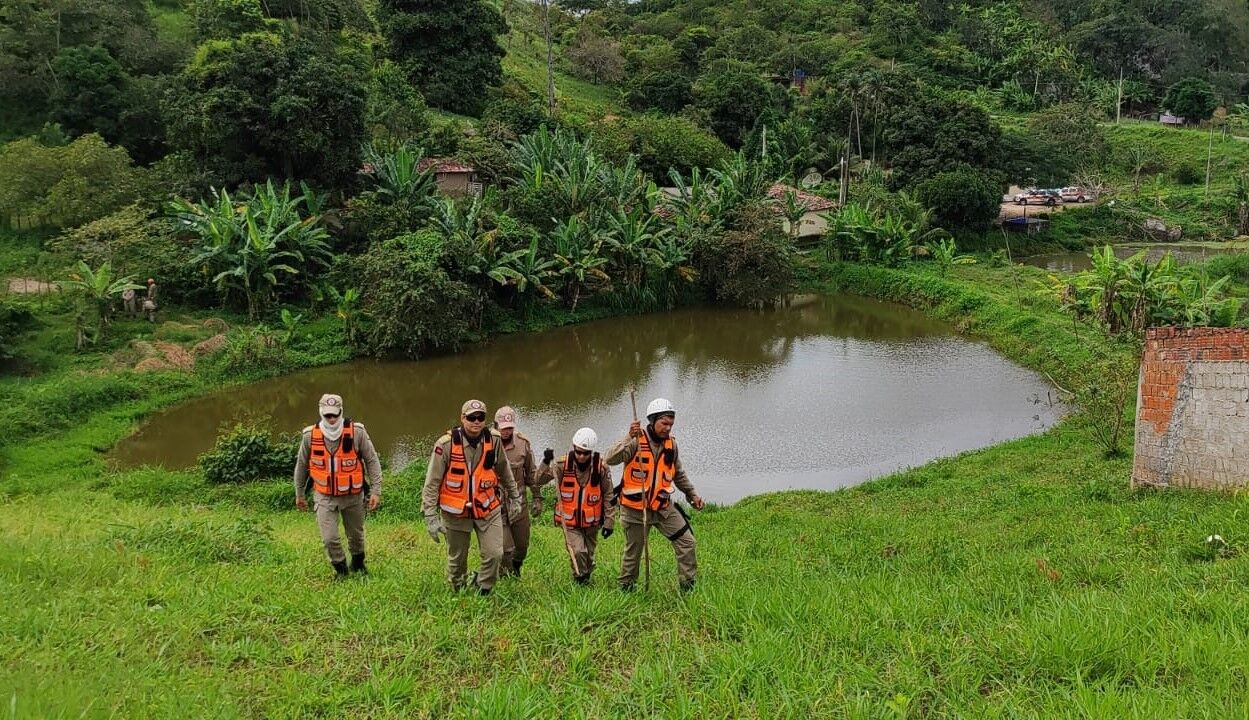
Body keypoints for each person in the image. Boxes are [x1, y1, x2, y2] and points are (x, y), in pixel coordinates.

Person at [422, 400, 524, 595]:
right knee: (457, 559)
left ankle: (483, 588)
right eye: (471, 417)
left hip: (488, 508)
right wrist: (430, 516)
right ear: (462, 418)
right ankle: (457, 590)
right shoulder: (446, 445)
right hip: (456, 512)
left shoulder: (493, 441)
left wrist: (515, 497)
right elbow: (432, 482)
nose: (476, 421)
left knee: (495, 554)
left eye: (480, 417)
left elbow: (505, 470)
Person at [605, 398, 704, 592]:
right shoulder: (635, 441)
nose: (668, 428)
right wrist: (627, 437)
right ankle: (626, 588)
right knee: (633, 553)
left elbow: (679, 474)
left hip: (662, 508)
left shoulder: (671, 446)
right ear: (652, 421)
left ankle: (688, 586)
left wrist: (692, 495)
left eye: (671, 424)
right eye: (664, 423)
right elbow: (609, 458)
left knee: (687, 542)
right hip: (635, 510)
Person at [293, 393, 383, 578]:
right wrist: (299, 493)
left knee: (356, 536)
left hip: (353, 496)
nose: (332, 419)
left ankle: (358, 565)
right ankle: (341, 570)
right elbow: (301, 465)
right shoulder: (310, 436)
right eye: (327, 415)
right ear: (321, 413)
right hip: (324, 496)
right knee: (329, 538)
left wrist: (375, 490)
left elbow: (372, 461)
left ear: (341, 411)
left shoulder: (357, 432)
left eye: (335, 414)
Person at [536, 427, 615, 585]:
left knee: (588, 556)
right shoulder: (561, 465)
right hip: (569, 522)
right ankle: (580, 580)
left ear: (591, 452)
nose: (581, 456)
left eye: (585, 453)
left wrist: (609, 522)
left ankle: (585, 576)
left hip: (592, 522)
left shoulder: (601, 469)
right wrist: (545, 461)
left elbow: (608, 495)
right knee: (578, 551)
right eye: (578, 452)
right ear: (573, 448)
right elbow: (538, 480)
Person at [494, 405, 537, 578]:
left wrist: (537, 498)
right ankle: (506, 577)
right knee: (506, 548)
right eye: (503, 428)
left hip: (519, 505)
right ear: (496, 425)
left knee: (521, 546)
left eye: (510, 428)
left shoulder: (522, 444)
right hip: (497, 505)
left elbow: (531, 474)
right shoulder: (486, 443)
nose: (506, 432)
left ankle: (515, 568)